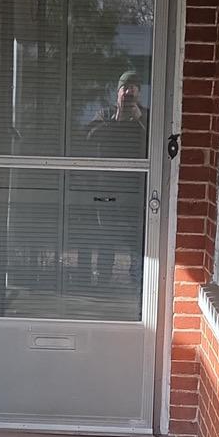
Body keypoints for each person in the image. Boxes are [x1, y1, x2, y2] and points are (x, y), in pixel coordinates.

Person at [83, 70, 148, 291]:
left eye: (133, 89)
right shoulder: (105, 114)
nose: (128, 93)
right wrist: (116, 119)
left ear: (139, 93)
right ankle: (103, 281)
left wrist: (138, 118)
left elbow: (157, 142)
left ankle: (138, 282)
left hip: (135, 188)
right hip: (107, 186)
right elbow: (88, 137)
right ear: (117, 93)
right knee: (106, 235)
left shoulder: (145, 116)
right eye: (124, 89)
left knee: (136, 236)